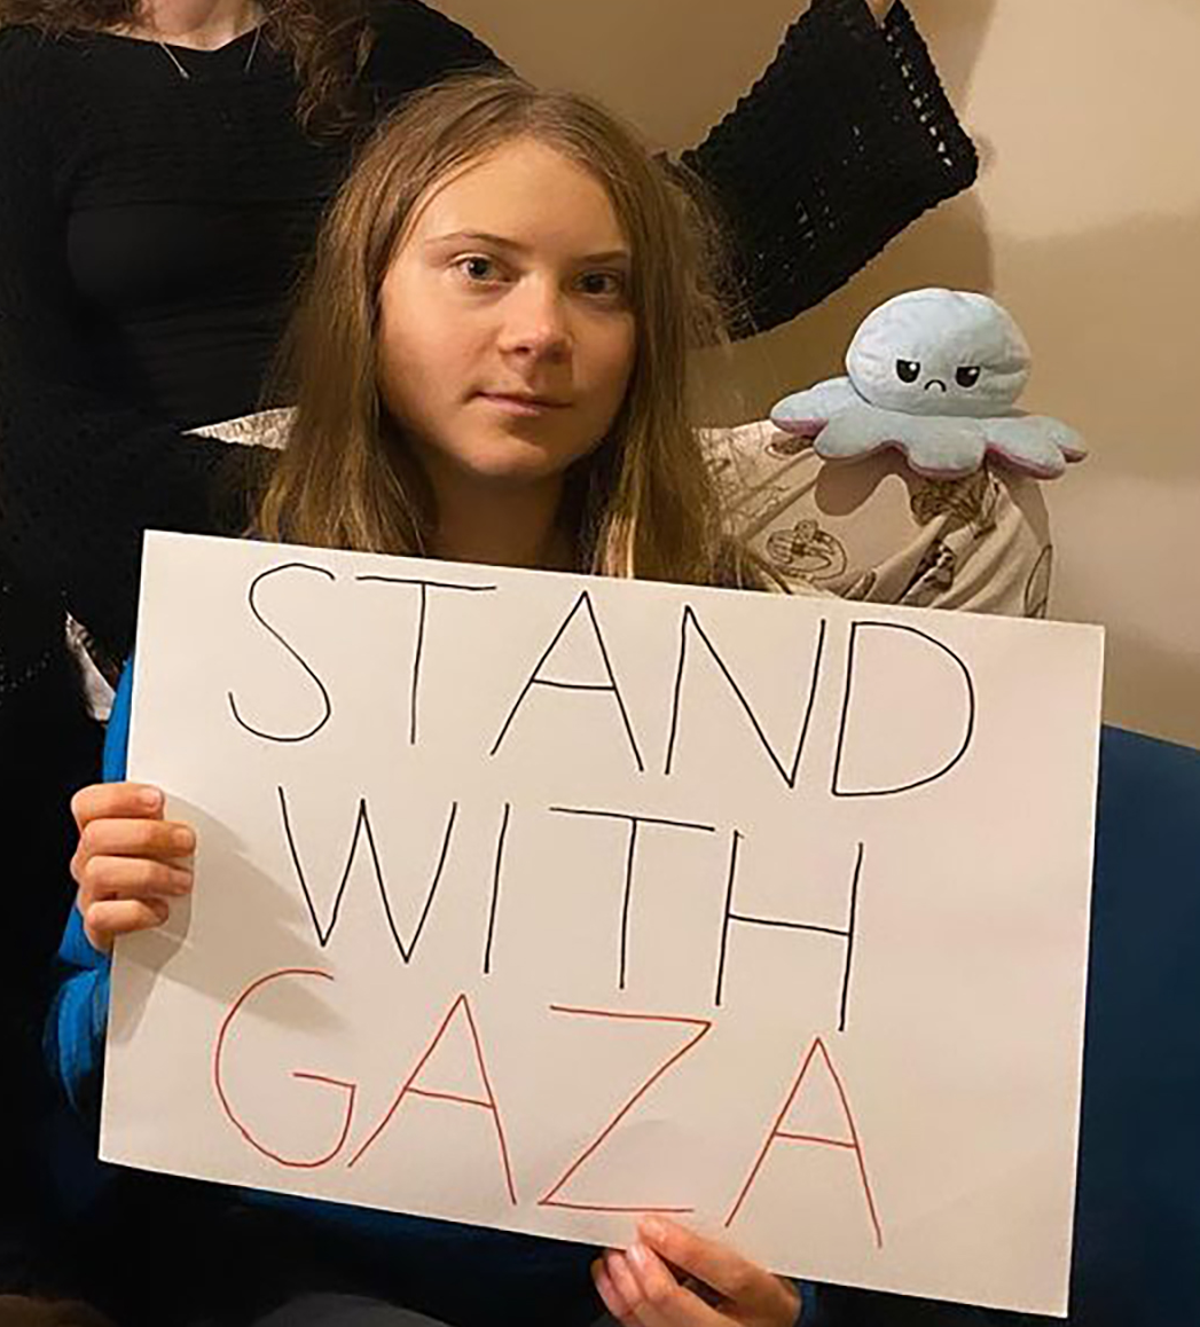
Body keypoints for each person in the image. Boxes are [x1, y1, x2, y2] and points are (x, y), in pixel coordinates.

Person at [51, 71, 816, 1327]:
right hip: (291, 1266)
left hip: (620, 1285)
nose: (540, 331)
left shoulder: (757, 657)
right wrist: (124, 953)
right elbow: (84, 1076)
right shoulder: (235, 643)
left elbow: (831, 1110)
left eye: (600, 283)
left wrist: (785, 1307)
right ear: (371, 301)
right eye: (479, 267)